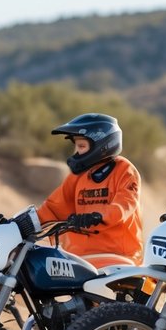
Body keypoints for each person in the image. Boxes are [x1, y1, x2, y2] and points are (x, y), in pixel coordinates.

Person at [35, 113, 143, 264]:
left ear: (101, 144)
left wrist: (96, 216)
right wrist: (19, 223)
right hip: (79, 258)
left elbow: (122, 207)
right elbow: (53, 208)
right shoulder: (78, 176)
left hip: (118, 258)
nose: (76, 152)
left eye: (81, 146)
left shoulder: (125, 171)